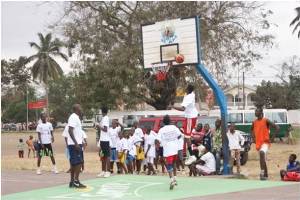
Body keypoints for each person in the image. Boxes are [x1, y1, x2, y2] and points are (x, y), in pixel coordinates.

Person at [171, 84, 199, 165]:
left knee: (187, 137)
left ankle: (192, 155)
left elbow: (183, 108)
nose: (185, 89)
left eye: (186, 88)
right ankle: (192, 153)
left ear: (188, 89)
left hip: (190, 117)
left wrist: (172, 106)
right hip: (189, 117)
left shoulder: (189, 97)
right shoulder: (190, 94)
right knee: (186, 136)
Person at [251, 107, 279, 180]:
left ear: (261, 113)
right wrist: (253, 138)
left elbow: (277, 127)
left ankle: (262, 172)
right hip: (258, 143)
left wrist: (272, 138)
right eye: (255, 111)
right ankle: (266, 175)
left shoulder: (266, 120)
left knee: (262, 153)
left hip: (265, 142)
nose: (255, 112)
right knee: (263, 159)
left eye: (257, 111)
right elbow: (251, 130)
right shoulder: (254, 122)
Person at [158, 115, 182, 190]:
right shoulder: (174, 127)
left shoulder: (161, 130)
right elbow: (180, 136)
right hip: (175, 149)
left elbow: (157, 139)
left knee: (169, 166)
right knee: (174, 164)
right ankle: (175, 179)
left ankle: (171, 180)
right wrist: (174, 140)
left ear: (163, 122)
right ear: (170, 121)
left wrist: (159, 145)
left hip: (168, 150)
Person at [66, 104, 86, 188]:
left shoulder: (76, 117)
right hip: (75, 144)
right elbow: (70, 130)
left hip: (76, 143)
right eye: (80, 107)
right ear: (77, 109)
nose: (81, 109)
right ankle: (76, 181)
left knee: (74, 164)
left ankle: (72, 182)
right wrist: (76, 143)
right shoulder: (73, 117)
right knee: (79, 162)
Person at [96, 106, 111, 178]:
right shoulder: (103, 118)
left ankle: (108, 171)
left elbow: (105, 129)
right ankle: (103, 171)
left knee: (107, 156)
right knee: (102, 156)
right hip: (102, 140)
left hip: (105, 140)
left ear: (102, 111)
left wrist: (99, 126)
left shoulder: (105, 118)